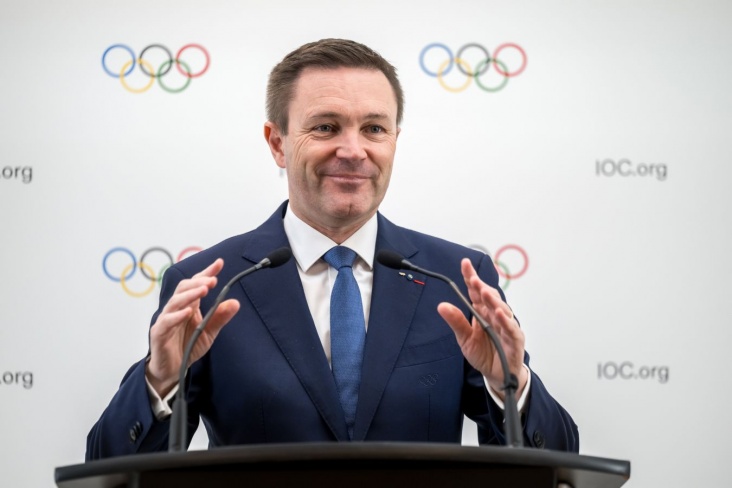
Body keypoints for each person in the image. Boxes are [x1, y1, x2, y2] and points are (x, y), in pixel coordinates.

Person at [86, 38, 578, 460]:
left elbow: (556, 462)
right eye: (325, 127)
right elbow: (109, 467)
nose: (353, 150)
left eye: (374, 129)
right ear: (277, 143)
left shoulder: (455, 278)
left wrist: (511, 383)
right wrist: (159, 381)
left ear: (395, 141)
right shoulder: (209, 284)